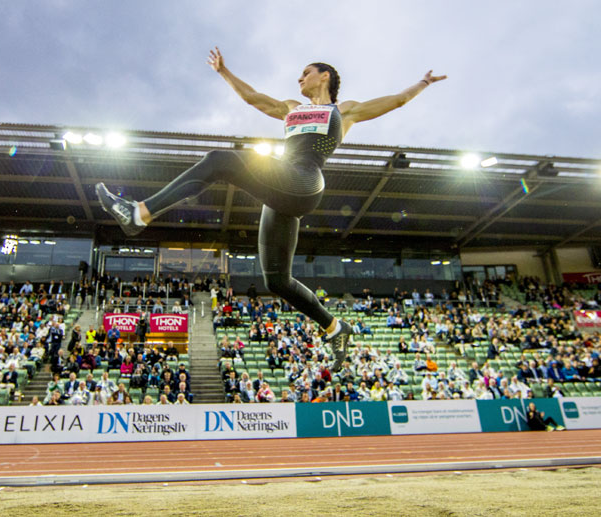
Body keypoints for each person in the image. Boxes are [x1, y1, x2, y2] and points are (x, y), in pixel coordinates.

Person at [96, 47, 446, 371]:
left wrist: (424, 82)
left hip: (306, 180)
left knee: (219, 161)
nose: (299, 78)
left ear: (325, 76)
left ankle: (139, 212)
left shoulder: (345, 110)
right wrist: (224, 71)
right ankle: (335, 326)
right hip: (283, 188)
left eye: (306, 72)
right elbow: (252, 98)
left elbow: (398, 100)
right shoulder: (291, 107)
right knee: (276, 280)